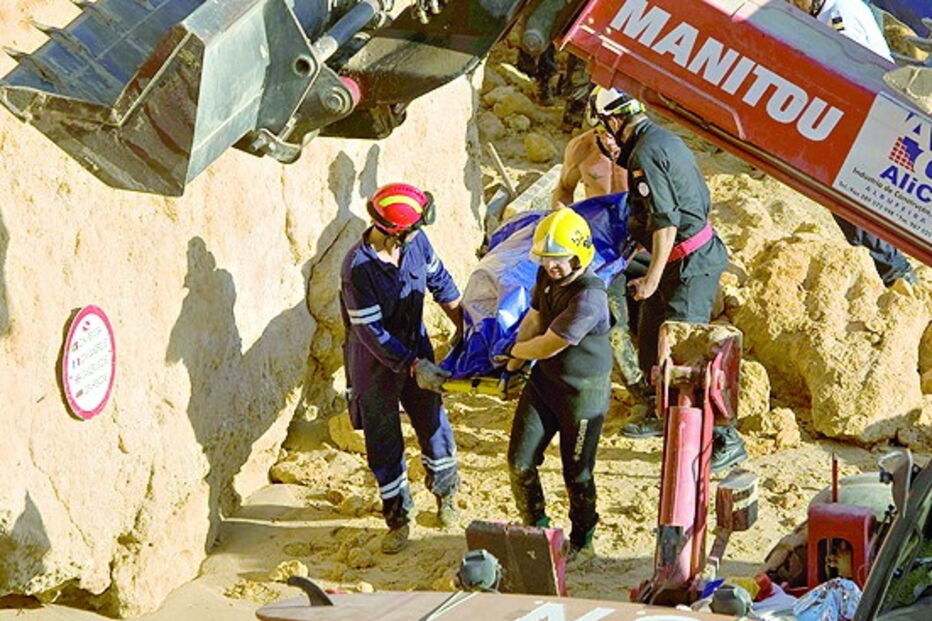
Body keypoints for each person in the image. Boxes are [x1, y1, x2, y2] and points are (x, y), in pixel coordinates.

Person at [590, 87, 746, 472]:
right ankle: (659, 413)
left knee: (687, 356)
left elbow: (666, 222)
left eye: (603, 128)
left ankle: (726, 437)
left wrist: (651, 280)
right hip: (677, 260)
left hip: (688, 263)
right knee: (648, 339)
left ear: (613, 121)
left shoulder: (644, 154)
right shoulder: (661, 139)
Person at [339, 182, 463, 554]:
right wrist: (413, 366)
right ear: (395, 230)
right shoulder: (358, 269)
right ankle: (398, 518)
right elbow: (371, 333)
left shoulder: (416, 244)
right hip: (375, 364)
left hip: (416, 348)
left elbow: (441, 284)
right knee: (384, 442)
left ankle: (446, 497)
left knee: (434, 425)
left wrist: (467, 328)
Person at [501, 208, 613, 558]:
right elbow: (534, 320)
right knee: (519, 461)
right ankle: (536, 524)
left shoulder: (589, 298)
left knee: (577, 472)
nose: (551, 266)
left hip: (583, 394)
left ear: (578, 254)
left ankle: (584, 539)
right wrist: (516, 367)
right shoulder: (546, 277)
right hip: (545, 383)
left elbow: (550, 342)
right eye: (547, 259)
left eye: (559, 260)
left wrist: (512, 351)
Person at [788, 0, 917, 286]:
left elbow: (850, 73)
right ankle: (890, 269)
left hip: (868, 115)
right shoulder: (829, 9)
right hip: (861, 115)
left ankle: (895, 274)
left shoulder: (839, 17)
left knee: (849, 192)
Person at [552, 90, 648, 405]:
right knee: (613, 320)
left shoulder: (646, 148)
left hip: (644, 245)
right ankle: (639, 392)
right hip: (605, 250)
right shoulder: (581, 149)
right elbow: (563, 192)